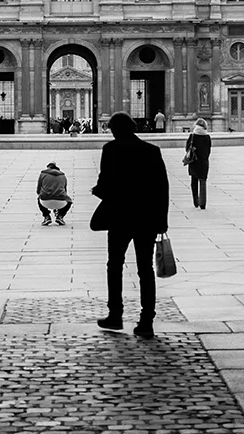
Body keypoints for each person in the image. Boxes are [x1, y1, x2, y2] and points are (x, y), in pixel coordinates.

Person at [91, 111, 169, 339]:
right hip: (146, 218)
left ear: (115, 130)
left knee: (114, 265)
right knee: (145, 269)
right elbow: (162, 187)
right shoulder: (151, 151)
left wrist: (98, 191)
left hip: (119, 217)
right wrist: (162, 220)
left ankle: (115, 315)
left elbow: (104, 183)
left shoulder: (110, 149)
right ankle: (146, 321)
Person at [185, 117, 212, 210]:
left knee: (194, 181)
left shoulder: (192, 136)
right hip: (204, 162)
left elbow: (187, 148)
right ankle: (202, 203)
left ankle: (196, 201)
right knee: (203, 182)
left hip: (194, 162)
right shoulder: (207, 137)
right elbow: (208, 150)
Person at [36, 161, 73, 226]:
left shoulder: (43, 174)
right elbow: (65, 190)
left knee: (39, 198)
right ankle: (60, 216)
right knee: (69, 201)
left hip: (45, 201)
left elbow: (38, 189)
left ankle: (46, 216)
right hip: (61, 203)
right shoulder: (63, 176)